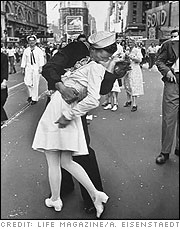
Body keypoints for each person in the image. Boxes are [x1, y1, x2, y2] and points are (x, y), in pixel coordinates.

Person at [32, 31, 121, 218]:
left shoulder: (101, 63)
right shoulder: (75, 48)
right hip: (59, 101)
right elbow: (49, 68)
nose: (107, 56)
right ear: (94, 48)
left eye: (111, 52)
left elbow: (101, 90)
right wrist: (61, 87)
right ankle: (63, 189)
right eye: (105, 51)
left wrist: (112, 71)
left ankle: (92, 196)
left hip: (76, 107)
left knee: (81, 150)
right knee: (58, 149)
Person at [155, 31, 179, 164]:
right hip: (173, 80)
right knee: (169, 117)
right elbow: (159, 61)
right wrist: (167, 71)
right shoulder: (170, 44)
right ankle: (165, 152)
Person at [21, 35, 45, 105]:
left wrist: (41, 67)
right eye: (30, 41)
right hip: (28, 68)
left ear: (35, 41)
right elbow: (24, 60)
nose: (31, 42)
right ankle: (30, 95)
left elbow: (41, 59)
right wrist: (23, 68)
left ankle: (34, 98)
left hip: (36, 68)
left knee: (35, 83)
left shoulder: (39, 50)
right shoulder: (26, 50)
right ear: (28, 42)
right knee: (27, 82)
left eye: (33, 40)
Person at [123, 39, 144, 112]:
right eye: (128, 42)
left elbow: (140, 60)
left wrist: (131, 57)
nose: (129, 44)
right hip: (127, 69)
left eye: (131, 42)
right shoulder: (127, 50)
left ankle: (134, 104)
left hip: (134, 69)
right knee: (127, 85)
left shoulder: (137, 50)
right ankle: (128, 100)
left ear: (134, 43)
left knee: (134, 85)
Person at [1, 51, 9, 126]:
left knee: (4, 97)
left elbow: (5, 69)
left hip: (1, 81)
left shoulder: (3, 56)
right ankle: (2, 118)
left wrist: (4, 80)